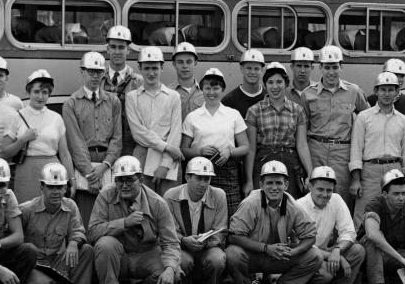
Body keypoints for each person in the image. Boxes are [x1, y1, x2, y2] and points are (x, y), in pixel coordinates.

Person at [88, 155, 181, 284]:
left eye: (130, 180)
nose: (124, 185)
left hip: (146, 253)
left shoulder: (157, 203)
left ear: (141, 180)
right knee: (104, 244)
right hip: (120, 255)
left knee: (175, 271)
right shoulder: (105, 195)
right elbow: (92, 232)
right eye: (119, 180)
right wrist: (124, 223)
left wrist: (169, 269)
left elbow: (171, 242)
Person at [225, 161, 322, 284]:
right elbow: (233, 237)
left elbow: (310, 236)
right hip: (253, 254)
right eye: (269, 183)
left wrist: (293, 252)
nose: (274, 187)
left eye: (279, 183)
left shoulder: (293, 206)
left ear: (286, 185)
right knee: (232, 253)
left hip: (280, 256)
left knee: (315, 255)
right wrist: (266, 248)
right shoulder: (250, 203)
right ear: (261, 184)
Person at [18, 162, 94, 284]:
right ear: (42, 187)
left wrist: (73, 242)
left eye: (59, 187)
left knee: (86, 250)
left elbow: (78, 230)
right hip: (35, 265)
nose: (55, 192)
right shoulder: (26, 209)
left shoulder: (70, 205)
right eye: (51, 187)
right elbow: (15, 238)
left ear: (65, 188)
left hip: (57, 261)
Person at [62, 50, 122, 224]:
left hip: (107, 164)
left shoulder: (113, 101)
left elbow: (117, 138)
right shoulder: (71, 103)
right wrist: (89, 174)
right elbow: (75, 142)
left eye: (99, 72)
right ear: (82, 72)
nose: (95, 76)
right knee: (86, 217)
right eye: (91, 72)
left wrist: (105, 165)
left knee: (109, 215)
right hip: (84, 165)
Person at [162, 157, 229, 284]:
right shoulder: (170, 196)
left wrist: (205, 242)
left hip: (208, 245)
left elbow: (221, 229)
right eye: (199, 178)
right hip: (180, 245)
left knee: (217, 259)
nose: (203, 183)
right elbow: (167, 231)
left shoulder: (219, 195)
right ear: (187, 177)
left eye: (207, 179)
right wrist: (183, 240)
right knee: (180, 260)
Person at [305, 45, 368, 207]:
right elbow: (302, 128)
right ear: (320, 68)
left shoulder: (354, 92)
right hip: (316, 150)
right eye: (327, 67)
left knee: (341, 196)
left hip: (343, 153)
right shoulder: (308, 94)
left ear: (341, 67)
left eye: (335, 67)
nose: (331, 72)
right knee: (315, 195)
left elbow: (368, 120)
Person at [349, 71, 405, 219]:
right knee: (364, 213)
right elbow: (356, 150)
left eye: (391, 90)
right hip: (370, 172)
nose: (387, 94)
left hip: (395, 169)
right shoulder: (363, 117)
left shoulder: (403, 120)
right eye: (383, 90)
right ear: (376, 91)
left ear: (397, 92)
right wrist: (356, 180)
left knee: (394, 214)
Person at [296, 165, 365, 284]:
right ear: (310, 187)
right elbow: (300, 245)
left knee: (358, 250)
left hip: (327, 252)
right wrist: (335, 256)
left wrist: (337, 249)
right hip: (306, 256)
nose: (325, 194)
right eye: (320, 189)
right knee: (325, 274)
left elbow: (349, 232)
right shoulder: (299, 206)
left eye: (329, 190)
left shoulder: (336, 199)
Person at [183, 68, 249, 215]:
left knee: (231, 213)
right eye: (207, 88)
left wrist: (230, 151)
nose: (211, 92)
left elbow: (245, 147)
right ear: (202, 89)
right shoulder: (193, 117)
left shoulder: (233, 114)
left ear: (223, 89)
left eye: (216, 88)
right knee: (201, 212)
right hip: (199, 170)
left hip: (226, 168)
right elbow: (184, 150)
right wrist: (200, 151)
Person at [5, 69, 72, 202]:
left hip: (53, 172)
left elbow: (65, 154)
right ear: (28, 92)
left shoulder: (56, 118)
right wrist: (22, 140)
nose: (40, 97)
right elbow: (5, 152)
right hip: (26, 172)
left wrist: (71, 179)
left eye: (45, 92)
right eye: (36, 92)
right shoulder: (17, 117)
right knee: (25, 208)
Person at [245, 62, 310, 198]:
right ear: (265, 85)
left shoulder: (297, 111)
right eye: (270, 82)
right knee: (262, 202)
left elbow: (302, 145)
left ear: (286, 84)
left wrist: (310, 173)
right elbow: (251, 148)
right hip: (263, 161)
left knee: (289, 202)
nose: (275, 87)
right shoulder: (254, 111)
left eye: (279, 82)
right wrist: (249, 180)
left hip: (290, 163)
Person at [126, 46, 185, 193]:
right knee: (142, 200)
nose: (151, 73)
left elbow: (175, 131)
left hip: (169, 159)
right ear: (139, 68)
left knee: (169, 200)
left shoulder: (173, 96)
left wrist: (165, 164)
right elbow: (138, 133)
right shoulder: (132, 97)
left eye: (155, 68)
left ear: (162, 68)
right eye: (146, 68)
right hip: (143, 156)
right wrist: (167, 147)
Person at [102, 24, 142, 156]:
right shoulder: (99, 79)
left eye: (121, 47)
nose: (117, 52)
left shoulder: (138, 81)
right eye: (113, 47)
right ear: (107, 49)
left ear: (128, 50)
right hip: (104, 142)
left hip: (129, 143)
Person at [223, 48, 266, 117]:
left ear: (262, 70)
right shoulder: (229, 101)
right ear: (241, 69)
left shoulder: (269, 98)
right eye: (249, 68)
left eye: (256, 69)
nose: (252, 72)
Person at [170, 41, 204, 119]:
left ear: (195, 63)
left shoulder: (205, 93)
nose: (185, 66)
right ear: (174, 64)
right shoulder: (167, 93)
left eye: (189, 62)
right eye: (180, 62)